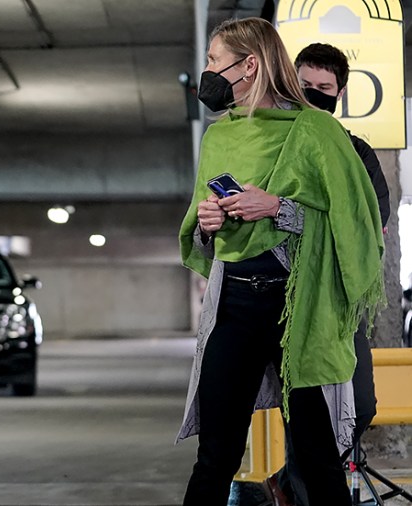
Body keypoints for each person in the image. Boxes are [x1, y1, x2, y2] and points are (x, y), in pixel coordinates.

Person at [177, 18, 384, 506]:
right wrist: (208, 222)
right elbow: (203, 239)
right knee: (216, 453)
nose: (207, 71)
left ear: (249, 65)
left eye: (213, 60)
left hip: (300, 311)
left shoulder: (317, 132)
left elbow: (353, 224)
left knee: (316, 453)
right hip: (233, 306)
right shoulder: (219, 136)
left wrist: (277, 207)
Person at [253, 42, 392, 506]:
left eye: (324, 89)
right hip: (285, 302)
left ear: (341, 93)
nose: (314, 95)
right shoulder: (272, 149)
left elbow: (370, 226)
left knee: (361, 406)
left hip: (339, 305)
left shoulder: (356, 153)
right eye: (305, 86)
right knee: (305, 413)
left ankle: (290, 485)